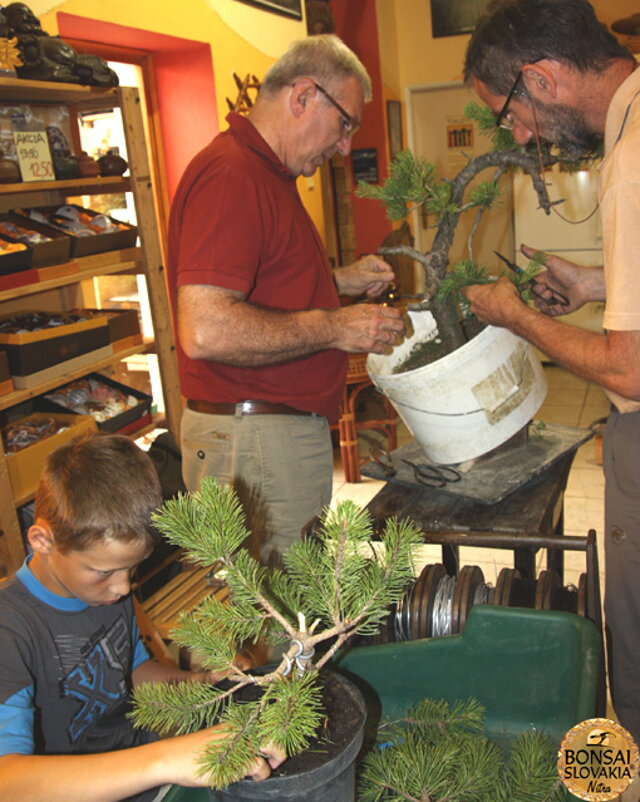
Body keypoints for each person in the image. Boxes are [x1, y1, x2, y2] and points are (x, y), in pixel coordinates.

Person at [462, 0, 640, 742]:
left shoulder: (630, 158)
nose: (519, 135)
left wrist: (519, 317)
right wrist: (595, 286)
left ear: (541, 77)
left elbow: (629, 373)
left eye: (509, 113)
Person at [167, 34, 406, 563]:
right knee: (269, 627)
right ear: (302, 96)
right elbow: (207, 329)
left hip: (264, 437)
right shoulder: (232, 175)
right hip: (252, 439)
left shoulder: (265, 175)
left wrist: (334, 280)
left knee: (281, 617)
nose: (345, 147)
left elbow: (258, 284)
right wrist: (337, 325)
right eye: (346, 124)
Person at [0, 433, 284, 802]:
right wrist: (166, 759)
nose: (121, 588)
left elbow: (130, 671)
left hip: (144, 777)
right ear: (43, 541)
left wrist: (201, 681)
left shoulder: (103, 592)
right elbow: (8, 780)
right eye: (104, 572)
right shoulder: (11, 629)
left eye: (131, 570)